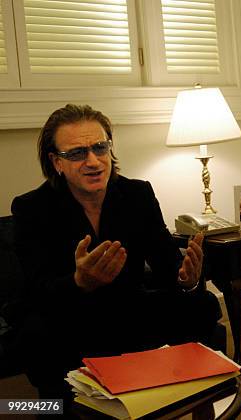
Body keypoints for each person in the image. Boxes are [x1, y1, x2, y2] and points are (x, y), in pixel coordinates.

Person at [11, 104, 222, 402]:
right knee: (36, 337)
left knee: (203, 305)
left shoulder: (137, 194)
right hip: (66, 314)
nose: (94, 161)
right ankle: (63, 408)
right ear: (56, 162)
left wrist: (186, 278)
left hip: (125, 305)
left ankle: (185, 395)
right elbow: (37, 290)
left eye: (100, 148)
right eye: (77, 153)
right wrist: (78, 282)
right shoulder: (32, 209)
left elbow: (166, 263)